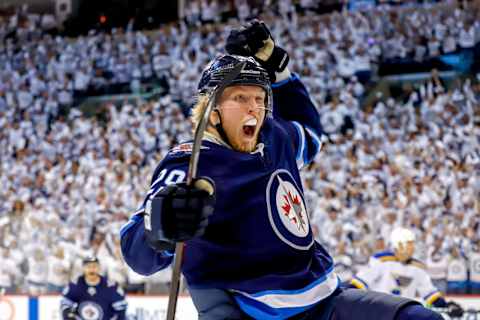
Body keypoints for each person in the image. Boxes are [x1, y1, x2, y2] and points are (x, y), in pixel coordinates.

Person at [120, 20, 443, 320]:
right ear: (211, 110)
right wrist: (161, 229)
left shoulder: (274, 136)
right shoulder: (191, 161)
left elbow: (311, 134)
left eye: (260, 98)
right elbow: (138, 255)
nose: (254, 108)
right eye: (240, 97)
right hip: (252, 311)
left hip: (327, 300)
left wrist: (281, 70)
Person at [351, 228, 447, 307]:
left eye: (412, 243)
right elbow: (360, 282)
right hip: (379, 310)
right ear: (398, 244)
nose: (412, 247)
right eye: (409, 243)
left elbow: (429, 293)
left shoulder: (417, 267)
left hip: (403, 312)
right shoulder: (382, 260)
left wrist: (445, 305)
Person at [60, 257, 127, 320]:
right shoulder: (75, 285)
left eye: (94, 266)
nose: (92, 270)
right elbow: (65, 304)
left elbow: (121, 310)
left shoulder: (111, 286)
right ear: (83, 268)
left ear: (99, 268)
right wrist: (68, 314)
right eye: (88, 267)